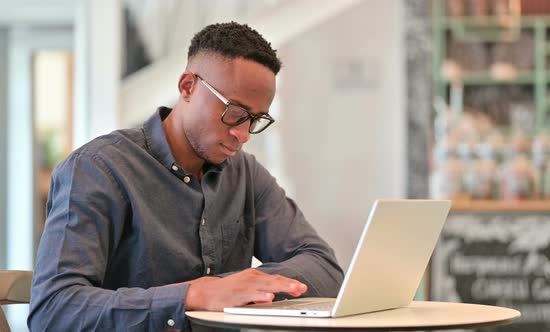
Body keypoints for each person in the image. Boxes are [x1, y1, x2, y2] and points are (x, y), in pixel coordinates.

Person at [28, 22, 344, 331]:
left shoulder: (245, 174)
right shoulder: (97, 169)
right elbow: (53, 309)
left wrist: (229, 289)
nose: (244, 134)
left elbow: (323, 267)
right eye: (234, 113)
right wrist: (192, 295)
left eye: (256, 120)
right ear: (187, 87)